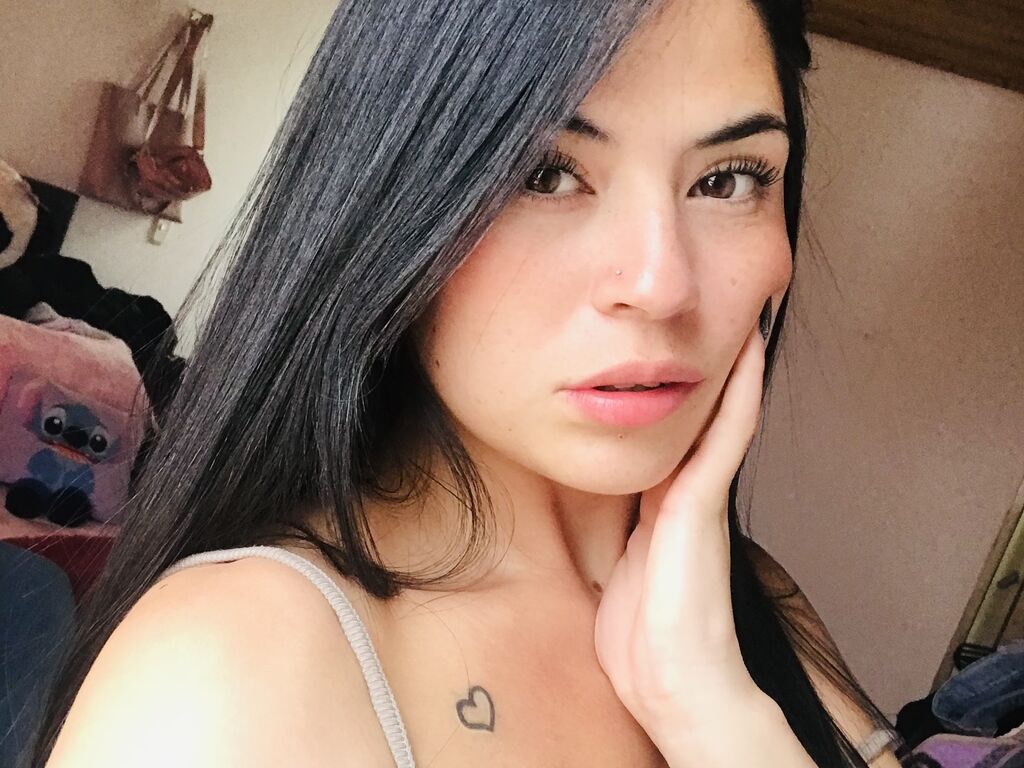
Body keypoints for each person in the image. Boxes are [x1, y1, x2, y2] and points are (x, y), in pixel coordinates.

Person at [25, 0, 905, 765]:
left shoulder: (746, 604)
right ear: (393, 206)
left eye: (727, 180)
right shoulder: (232, 667)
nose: (660, 284)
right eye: (544, 174)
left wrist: (716, 712)